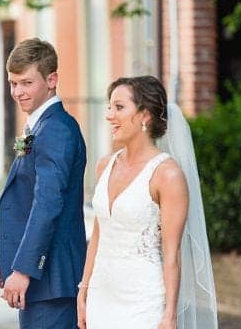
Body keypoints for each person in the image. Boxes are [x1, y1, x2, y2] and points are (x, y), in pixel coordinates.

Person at [78, 75, 216, 329]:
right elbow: (98, 234)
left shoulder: (167, 175)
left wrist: (170, 314)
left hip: (142, 301)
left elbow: (172, 253)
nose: (110, 115)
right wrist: (83, 289)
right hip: (101, 295)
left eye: (119, 107)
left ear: (145, 116)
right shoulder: (104, 165)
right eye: (110, 107)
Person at [0, 38, 87, 328]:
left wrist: (23, 269)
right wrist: (9, 259)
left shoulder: (55, 129)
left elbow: (47, 204)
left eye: (26, 83)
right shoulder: (41, 125)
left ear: (52, 79)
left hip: (52, 279)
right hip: (44, 281)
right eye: (13, 83)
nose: (18, 92)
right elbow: (29, 201)